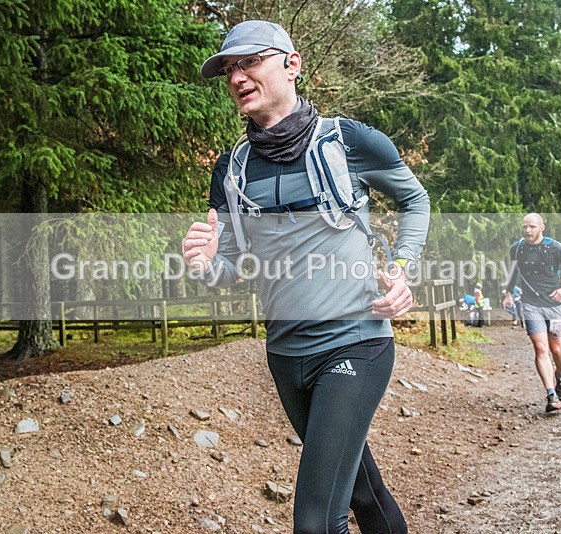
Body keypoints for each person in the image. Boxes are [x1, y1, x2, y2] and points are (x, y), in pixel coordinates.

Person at [182, 20, 429, 533]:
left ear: (291, 65)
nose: (236, 76)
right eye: (230, 68)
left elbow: (415, 200)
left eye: (250, 62)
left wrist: (402, 269)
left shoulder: (348, 141)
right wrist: (203, 265)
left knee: (316, 521)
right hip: (286, 355)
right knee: (362, 492)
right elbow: (227, 269)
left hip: (354, 345)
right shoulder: (232, 170)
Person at [504, 213, 561, 413]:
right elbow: (513, 272)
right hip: (530, 305)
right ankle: (551, 395)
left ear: (541, 228)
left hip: (554, 305)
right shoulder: (517, 248)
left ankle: (560, 378)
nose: (527, 230)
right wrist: (508, 293)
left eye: (532, 227)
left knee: (556, 348)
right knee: (540, 348)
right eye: (525, 227)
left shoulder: (554, 247)